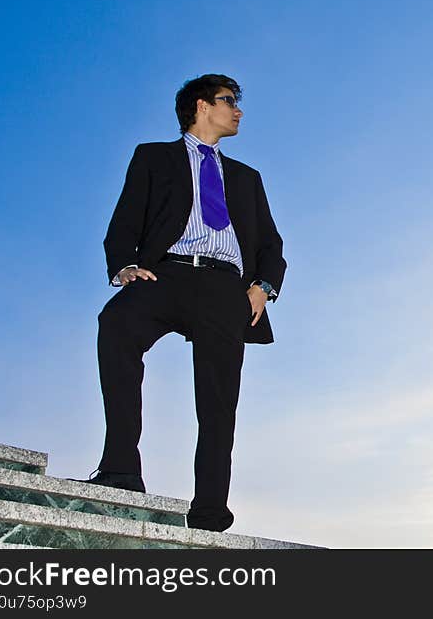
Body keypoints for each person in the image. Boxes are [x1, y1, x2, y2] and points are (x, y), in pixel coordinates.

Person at [78, 73, 287, 532]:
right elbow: (126, 218)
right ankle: (120, 470)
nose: (239, 110)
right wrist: (125, 266)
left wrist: (263, 287)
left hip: (225, 287)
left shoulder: (247, 179)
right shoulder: (153, 157)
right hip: (165, 272)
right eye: (229, 101)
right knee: (115, 325)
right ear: (201, 106)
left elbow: (271, 245)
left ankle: (210, 510)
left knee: (217, 403)